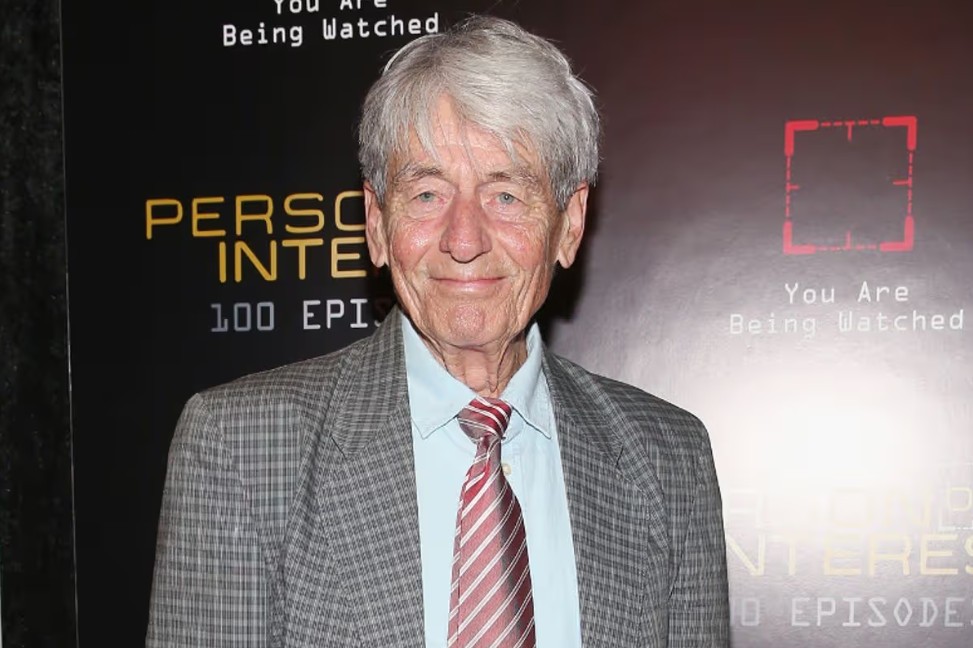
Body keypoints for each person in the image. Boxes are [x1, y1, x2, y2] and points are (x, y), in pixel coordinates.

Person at [146, 14, 729, 648]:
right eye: (427, 194)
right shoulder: (242, 448)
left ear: (569, 223)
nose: (464, 239)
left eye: (506, 195)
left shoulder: (666, 458)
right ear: (376, 224)